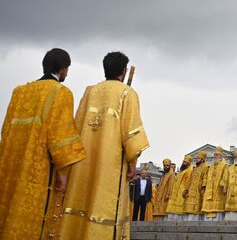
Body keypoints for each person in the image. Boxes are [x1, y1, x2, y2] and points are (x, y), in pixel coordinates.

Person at [60, 51, 149, 239]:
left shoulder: (90, 91)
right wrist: (132, 164)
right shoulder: (127, 93)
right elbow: (132, 136)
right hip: (111, 166)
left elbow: (76, 127)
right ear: (124, 71)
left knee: (81, 204)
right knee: (105, 208)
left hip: (83, 163)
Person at [0, 48, 86, 240]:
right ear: (64, 69)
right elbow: (60, 137)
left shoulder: (19, 92)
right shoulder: (61, 92)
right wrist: (63, 174)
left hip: (10, 168)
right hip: (39, 172)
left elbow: (5, 131)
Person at [202, 146, 227, 221]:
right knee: (208, 208)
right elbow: (207, 177)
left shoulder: (224, 165)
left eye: (217, 155)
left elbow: (225, 177)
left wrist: (224, 187)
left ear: (221, 156)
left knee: (217, 210)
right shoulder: (211, 166)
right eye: (214, 155)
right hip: (209, 190)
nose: (215, 156)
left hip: (219, 190)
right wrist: (204, 186)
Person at [166, 155, 194, 221]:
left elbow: (189, 181)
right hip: (175, 191)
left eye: (185, 162)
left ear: (189, 163)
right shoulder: (181, 171)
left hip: (182, 191)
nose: (183, 163)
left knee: (179, 210)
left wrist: (186, 190)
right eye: (183, 161)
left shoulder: (189, 171)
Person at [183, 151, 208, 221]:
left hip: (198, 191)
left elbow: (205, 178)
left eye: (198, 158)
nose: (196, 159)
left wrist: (203, 188)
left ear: (202, 160)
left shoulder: (205, 167)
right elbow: (189, 181)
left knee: (195, 210)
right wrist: (186, 190)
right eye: (196, 158)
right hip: (190, 192)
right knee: (188, 209)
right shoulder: (194, 169)